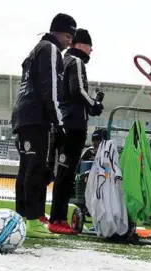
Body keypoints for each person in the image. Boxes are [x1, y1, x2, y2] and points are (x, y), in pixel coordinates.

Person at [11, 13, 77, 239]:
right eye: (68, 35)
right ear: (57, 32)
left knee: (26, 169)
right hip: (36, 116)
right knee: (36, 168)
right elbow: (52, 88)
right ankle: (33, 220)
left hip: (23, 115)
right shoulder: (50, 49)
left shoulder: (34, 51)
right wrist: (59, 122)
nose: (69, 41)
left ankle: (21, 218)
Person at [49, 29, 104, 234]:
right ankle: (58, 219)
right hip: (73, 125)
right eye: (90, 46)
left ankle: (48, 215)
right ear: (81, 45)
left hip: (61, 121)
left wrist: (91, 104)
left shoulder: (61, 62)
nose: (91, 50)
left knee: (59, 172)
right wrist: (94, 105)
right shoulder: (76, 61)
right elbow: (77, 90)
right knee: (67, 173)